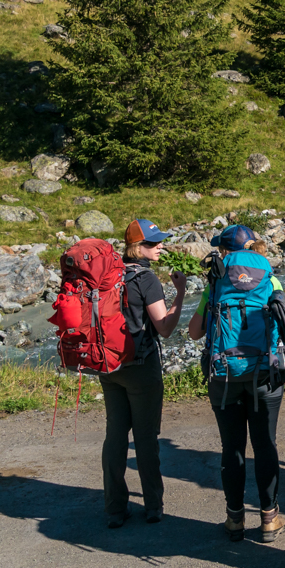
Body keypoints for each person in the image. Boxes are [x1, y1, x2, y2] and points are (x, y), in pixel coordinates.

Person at [189, 226, 285, 543]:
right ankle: (269, 518)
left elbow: (195, 332)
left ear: (224, 251)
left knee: (232, 447)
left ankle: (235, 518)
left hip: (224, 376)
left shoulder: (216, 282)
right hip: (264, 373)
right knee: (265, 445)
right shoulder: (269, 279)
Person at [103, 219, 185, 528]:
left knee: (115, 436)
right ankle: (153, 505)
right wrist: (180, 293)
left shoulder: (110, 273)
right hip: (140, 366)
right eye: (153, 243)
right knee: (146, 437)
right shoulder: (146, 278)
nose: (160, 246)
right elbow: (164, 327)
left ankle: (114, 508)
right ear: (138, 247)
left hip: (109, 366)